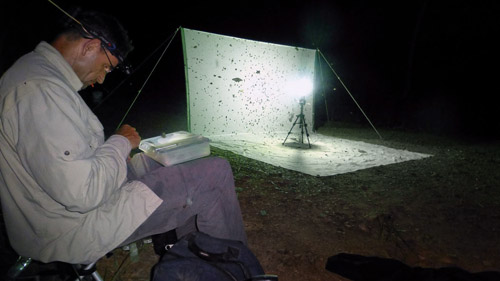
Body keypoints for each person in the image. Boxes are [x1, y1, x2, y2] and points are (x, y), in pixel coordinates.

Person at [0, 9, 247, 264]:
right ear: (90, 47)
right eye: (106, 66)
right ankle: (236, 268)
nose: (102, 77)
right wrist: (120, 142)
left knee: (176, 160)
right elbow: (84, 193)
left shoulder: (37, 75)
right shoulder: (39, 93)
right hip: (73, 228)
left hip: (76, 206)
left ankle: (193, 260)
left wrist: (116, 154)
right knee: (215, 172)